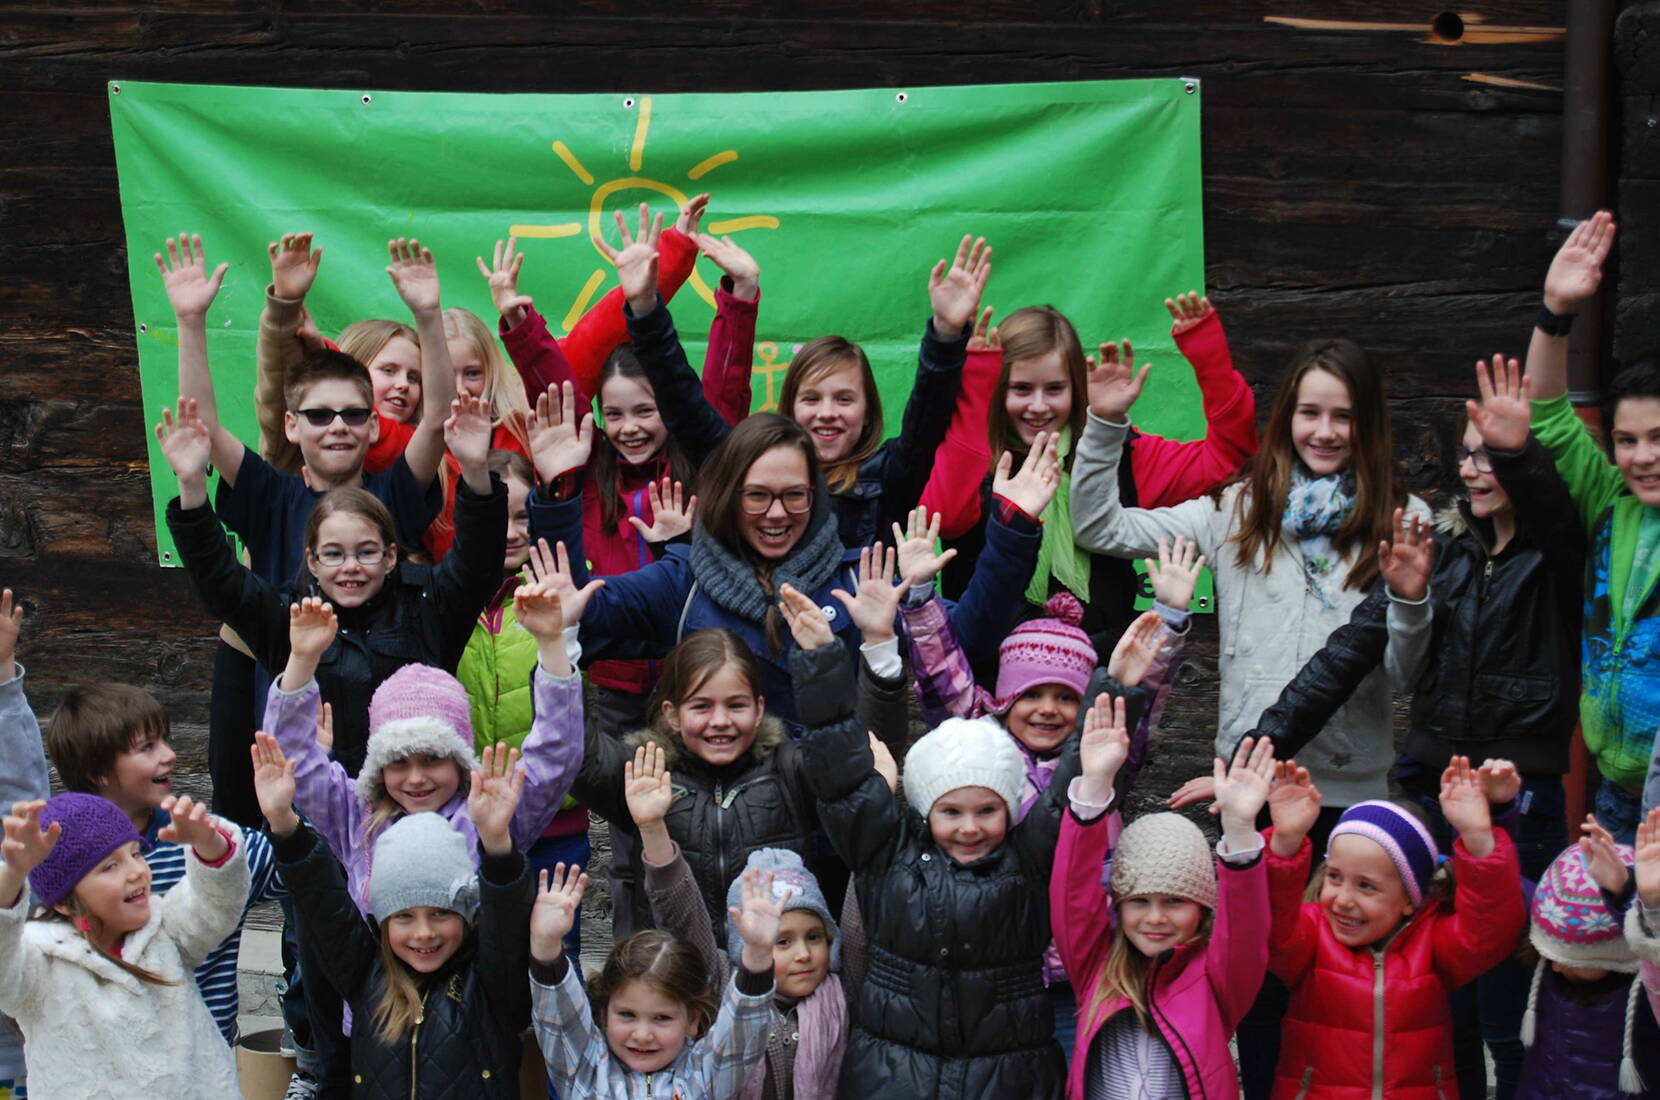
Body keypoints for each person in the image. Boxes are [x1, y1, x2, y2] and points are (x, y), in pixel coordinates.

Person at [1244, 356, 1586, 1100]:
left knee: (1501, 1002)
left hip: (1515, 798)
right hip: (1427, 791)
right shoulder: (1443, 552)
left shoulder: (1557, 556)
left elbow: (1555, 513)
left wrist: (1519, 452)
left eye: (1494, 453)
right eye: (1468, 451)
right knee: (1426, 986)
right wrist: (1256, 750)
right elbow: (1344, 657)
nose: (1476, 467)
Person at [780, 587, 1153, 1098]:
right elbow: (842, 773)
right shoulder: (885, 854)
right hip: (895, 1076)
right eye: (951, 812)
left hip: (1008, 1077)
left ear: (1011, 809)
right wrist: (822, 660)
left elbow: (1076, 774)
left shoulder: (1029, 857)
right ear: (925, 809)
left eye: (987, 811)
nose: (970, 827)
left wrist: (1118, 686)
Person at [1071, 333, 1431, 819]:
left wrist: (1411, 602)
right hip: (1248, 785)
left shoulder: (1402, 522)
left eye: (1343, 416)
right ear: (1287, 418)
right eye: (1310, 413)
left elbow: (1407, 675)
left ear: (1367, 423)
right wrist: (1105, 423)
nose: (1325, 431)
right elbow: (1100, 527)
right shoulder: (1234, 510)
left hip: (1349, 792)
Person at [527, 399, 1055, 726]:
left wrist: (1012, 531)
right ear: (728, 496)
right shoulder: (683, 582)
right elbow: (581, 608)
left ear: (816, 497)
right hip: (720, 833)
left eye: (794, 495)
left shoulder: (859, 577)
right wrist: (558, 492)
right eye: (756, 496)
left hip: (834, 833)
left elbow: (968, 638)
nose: (776, 514)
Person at [160, 232, 449, 829]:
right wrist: (191, 321)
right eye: (319, 414)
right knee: (256, 821)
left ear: (374, 426)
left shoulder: (392, 492)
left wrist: (427, 316)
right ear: (292, 426)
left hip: (375, 696)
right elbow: (203, 426)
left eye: (352, 414)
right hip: (283, 686)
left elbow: (439, 422)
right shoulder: (271, 493)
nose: (337, 426)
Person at [161, 392, 503, 776]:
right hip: (320, 811)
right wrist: (192, 487)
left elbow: (478, 562)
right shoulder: (287, 616)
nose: (351, 567)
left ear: (391, 556)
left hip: (418, 808)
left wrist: (475, 471)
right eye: (334, 554)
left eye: (367, 552)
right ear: (312, 560)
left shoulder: (427, 600)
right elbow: (218, 580)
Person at [922, 292, 1258, 643]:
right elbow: (945, 517)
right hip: (988, 684)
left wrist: (1211, 361)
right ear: (997, 388)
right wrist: (976, 385)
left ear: (1076, 388)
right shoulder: (970, 455)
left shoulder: (1117, 454)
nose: (1038, 406)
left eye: (1055, 389)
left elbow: (1229, 462)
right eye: (1020, 389)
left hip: (1097, 684)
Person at [261, 589, 582, 911]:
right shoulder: (355, 817)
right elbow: (293, 763)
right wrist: (301, 660)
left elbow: (557, 755)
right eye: (398, 762)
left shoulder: (493, 815)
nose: (415, 778)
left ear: (459, 761)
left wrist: (552, 643)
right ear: (379, 767)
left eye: (432, 759)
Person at [256, 735, 534, 1099]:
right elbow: (321, 899)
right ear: (381, 922)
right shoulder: (364, 974)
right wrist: (283, 822)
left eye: (440, 913)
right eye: (404, 916)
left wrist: (497, 844)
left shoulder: (490, 985)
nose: (424, 933)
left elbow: (507, 924)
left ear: (467, 915)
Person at [1262, 757, 1526, 1098]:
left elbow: (1492, 930)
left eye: (1366, 886)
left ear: (1409, 899)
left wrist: (1477, 836)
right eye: (1335, 877)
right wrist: (1284, 845)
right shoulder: (1310, 936)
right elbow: (1266, 924)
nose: (1343, 899)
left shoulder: (1433, 943)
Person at [1519, 211, 1660, 840]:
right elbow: (1547, 414)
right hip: (1614, 789)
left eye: (1658, 439)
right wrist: (1555, 312)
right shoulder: (1611, 500)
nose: (1641, 456)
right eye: (1627, 440)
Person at [1051, 712, 1274, 1100]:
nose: (1155, 918)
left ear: (1203, 910)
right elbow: (1072, 893)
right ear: (1117, 906)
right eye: (1139, 901)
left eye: (1174, 901)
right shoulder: (1095, 968)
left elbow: (1246, 931)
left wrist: (1239, 833)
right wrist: (1093, 787)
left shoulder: (1216, 982)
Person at [633, 725, 857, 1100]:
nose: (803, 954)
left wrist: (873, 811)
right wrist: (653, 827)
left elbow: (864, 905)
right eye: (781, 941)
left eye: (814, 936)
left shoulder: (844, 990)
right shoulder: (722, 983)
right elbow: (682, 915)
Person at [0, 792, 248, 1099]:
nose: (136, 872)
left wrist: (209, 843)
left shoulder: (166, 929)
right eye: (110, 866)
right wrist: (12, 876)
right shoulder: (40, 960)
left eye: (136, 853)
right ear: (65, 901)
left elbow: (217, 905)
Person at [456, 449, 593, 953]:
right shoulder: (450, 595)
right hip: (469, 818)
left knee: (554, 952)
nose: (512, 532)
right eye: (500, 516)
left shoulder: (560, 593)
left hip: (556, 821)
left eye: (524, 517)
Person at [528, 863, 780, 1098]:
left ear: (692, 1020)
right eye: (627, 1014)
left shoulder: (706, 1075)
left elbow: (741, 1032)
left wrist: (758, 954)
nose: (642, 1035)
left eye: (662, 1018)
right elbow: (558, 1017)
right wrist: (545, 944)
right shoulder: (585, 1068)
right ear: (604, 1014)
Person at [1513, 819, 1657, 1100]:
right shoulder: (1555, 973)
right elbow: (1496, 891)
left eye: (1573, 960)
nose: (1554, 966)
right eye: (1547, 953)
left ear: (1617, 959)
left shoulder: (1649, 1000)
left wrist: (1630, 896)